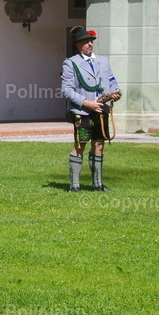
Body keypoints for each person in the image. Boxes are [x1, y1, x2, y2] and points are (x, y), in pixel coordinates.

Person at [61, 26, 121, 192]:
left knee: (99, 144)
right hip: (84, 111)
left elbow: (111, 80)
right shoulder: (71, 63)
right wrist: (86, 103)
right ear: (78, 45)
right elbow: (66, 91)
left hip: (102, 109)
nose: (89, 44)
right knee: (80, 144)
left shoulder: (103, 61)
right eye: (86, 41)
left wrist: (115, 93)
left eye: (91, 41)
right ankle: (74, 185)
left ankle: (98, 184)